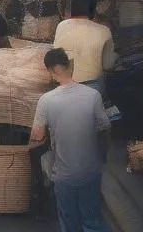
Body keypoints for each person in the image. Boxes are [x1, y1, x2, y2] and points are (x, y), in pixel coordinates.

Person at [30, 47, 111, 232]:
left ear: (50, 72)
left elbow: (37, 136)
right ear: (69, 65)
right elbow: (104, 127)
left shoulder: (46, 100)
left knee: (69, 222)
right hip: (90, 172)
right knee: (92, 219)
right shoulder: (93, 95)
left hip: (64, 176)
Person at [54, 0, 117, 95]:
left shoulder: (61, 26)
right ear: (93, 11)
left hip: (66, 84)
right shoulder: (103, 31)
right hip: (93, 86)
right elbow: (108, 65)